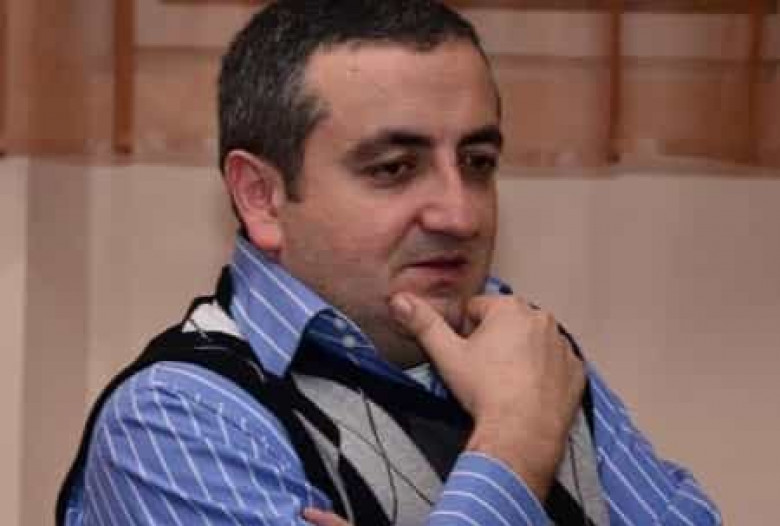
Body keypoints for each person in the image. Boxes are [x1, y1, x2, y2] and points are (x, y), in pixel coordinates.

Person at [58, 1, 721, 525]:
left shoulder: (525, 353)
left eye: (478, 162)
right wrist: (516, 443)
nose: (460, 215)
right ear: (261, 197)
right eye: (395, 168)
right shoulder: (177, 423)